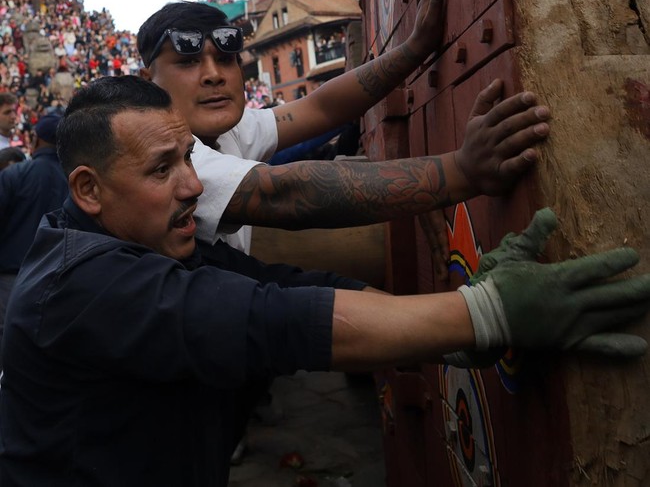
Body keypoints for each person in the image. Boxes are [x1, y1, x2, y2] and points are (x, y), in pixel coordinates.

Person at [1, 76, 648, 487]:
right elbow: (272, 323)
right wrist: (486, 313)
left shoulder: (157, 241)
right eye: (162, 168)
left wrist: (448, 323)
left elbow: (283, 286)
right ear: (88, 188)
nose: (193, 186)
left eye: (190, 161)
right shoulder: (79, 284)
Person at [137, 0, 550, 261]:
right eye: (189, 62)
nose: (214, 75)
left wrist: (412, 50)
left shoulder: (228, 130)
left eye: (225, 59)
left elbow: (320, 107)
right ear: (146, 83)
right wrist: (459, 171)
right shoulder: (167, 158)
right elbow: (288, 192)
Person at [0, 112, 68, 367]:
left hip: (11, 277)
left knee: (9, 343)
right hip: (58, 279)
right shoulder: (77, 181)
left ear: (36, 139)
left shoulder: (15, 175)